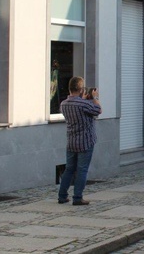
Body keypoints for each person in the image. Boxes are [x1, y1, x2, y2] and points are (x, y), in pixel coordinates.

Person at [57, 77, 102, 206]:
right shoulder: (84, 104)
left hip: (71, 141)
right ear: (81, 89)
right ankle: (77, 197)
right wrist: (94, 98)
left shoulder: (63, 104)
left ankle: (62, 196)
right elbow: (98, 110)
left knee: (69, 169)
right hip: (85, 141)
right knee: (82, 170)